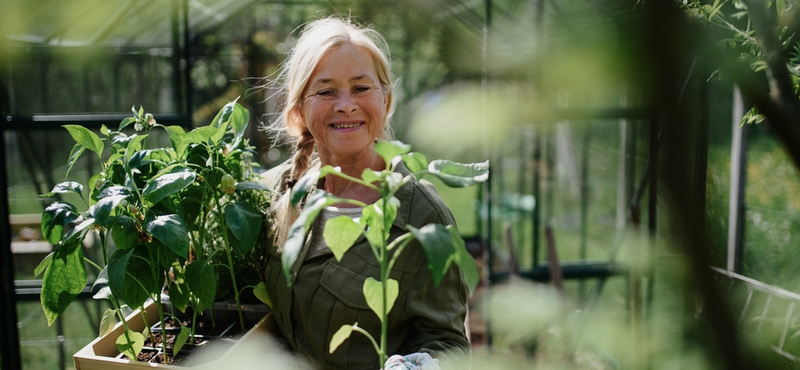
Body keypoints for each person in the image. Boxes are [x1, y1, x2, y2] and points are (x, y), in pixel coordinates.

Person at [260, 17, 470, 370]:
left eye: (361, 88)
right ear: (299, 110)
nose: (346, 104)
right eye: (326, 91)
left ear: (386, 101)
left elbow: (449, 343)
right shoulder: (283, 189)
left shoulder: (420, 216)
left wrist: (422, 365)